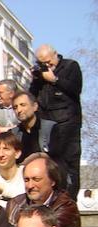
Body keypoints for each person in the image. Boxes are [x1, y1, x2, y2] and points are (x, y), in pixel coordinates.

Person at [30, 44, 83, 198]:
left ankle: (69, 201)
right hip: (46, 126)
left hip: (67, 125)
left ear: (55, 55)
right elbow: (32, 95)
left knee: (69, 165)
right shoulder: (41, 73)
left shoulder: (70, 66)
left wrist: (55, 80)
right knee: (49, 166)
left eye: (48, 62)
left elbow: (75, 89)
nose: (47, 66)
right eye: (42, 63)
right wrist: (35, 79)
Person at [6, 153, 82, 227]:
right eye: (26, 180)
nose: (30, 186)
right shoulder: (15, 204)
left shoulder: (66, 207)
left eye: (36, 179)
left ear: (52, 181)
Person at [11, 91, 58, 163]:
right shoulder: (13, 134)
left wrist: (38, 156)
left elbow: (58, 157)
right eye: (15, 107)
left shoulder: (51, 128)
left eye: (23, 105)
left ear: (35, 106)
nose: (19, 110)